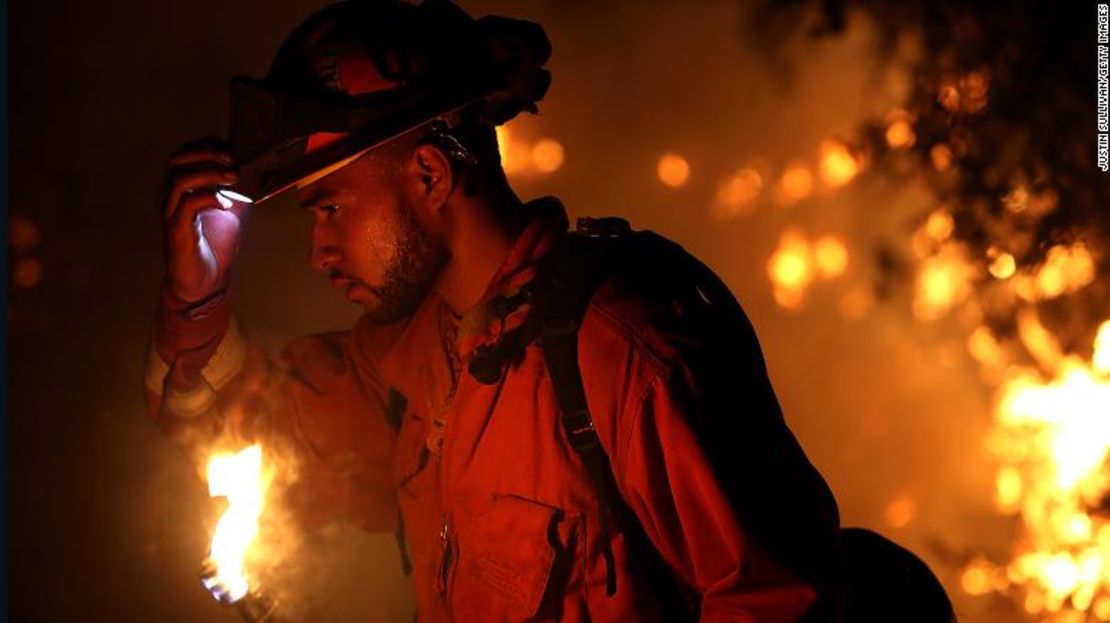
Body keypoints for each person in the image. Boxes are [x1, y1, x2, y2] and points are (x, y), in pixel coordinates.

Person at [144, 1, 845, 621]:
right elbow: (231, 446)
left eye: (330, 207)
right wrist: (196, 298)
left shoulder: (623, 349)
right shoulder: (411, 361)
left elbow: (777, 601)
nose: (317, 250)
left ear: (429, 174)